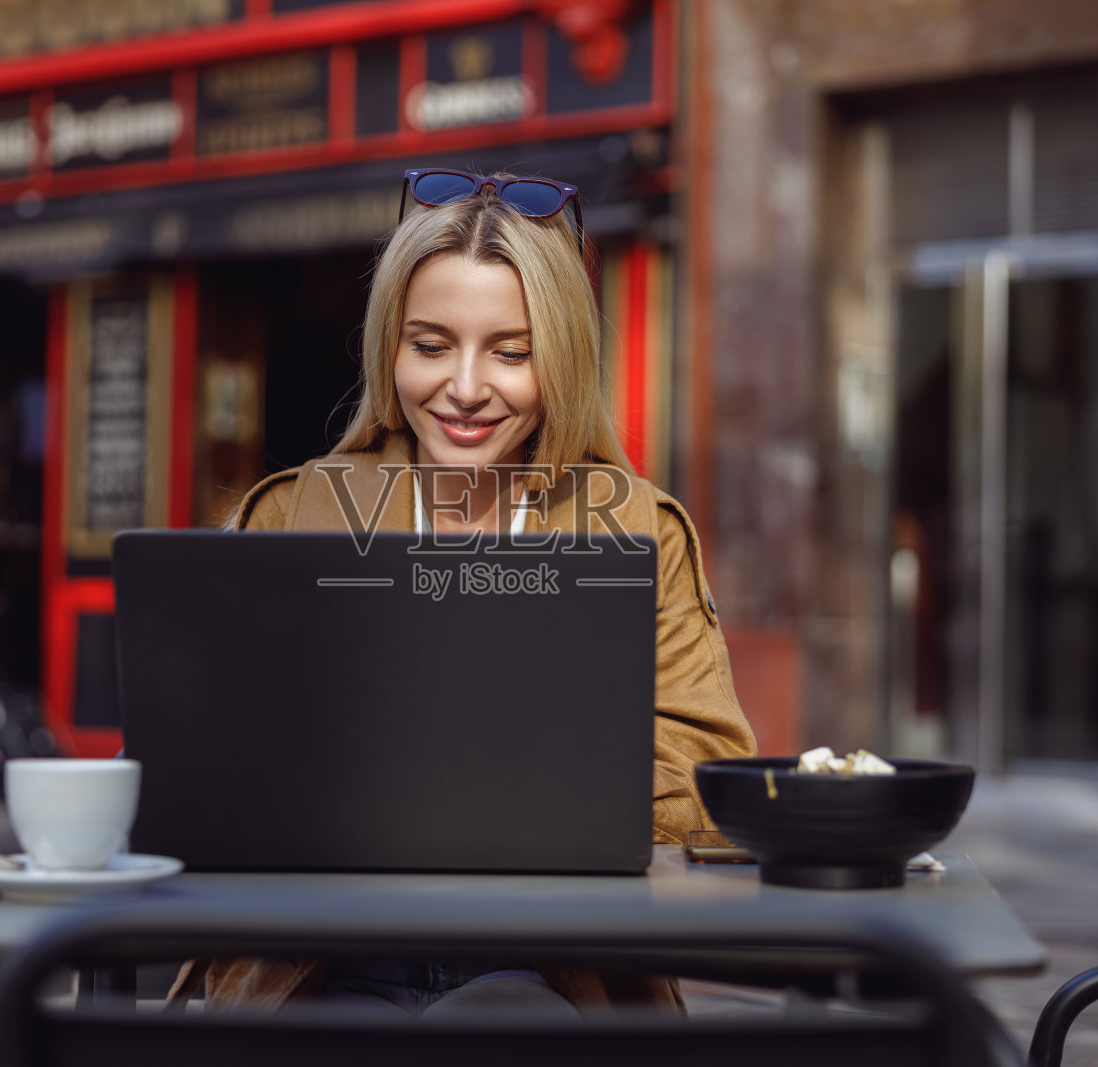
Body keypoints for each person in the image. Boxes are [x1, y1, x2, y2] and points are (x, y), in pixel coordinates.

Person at [170, 169, 757, 1017]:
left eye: (511, 352)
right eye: (432, 345)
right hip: (318, 963)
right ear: (390, 349)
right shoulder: (297, 510)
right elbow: (206, 766)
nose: (467, 388)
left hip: (555, 964)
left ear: (559, 358)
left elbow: (702, 779)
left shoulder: (634, 527)